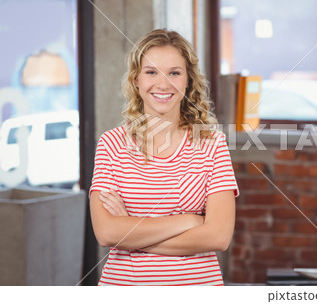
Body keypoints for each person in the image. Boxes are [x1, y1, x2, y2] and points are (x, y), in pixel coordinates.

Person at [89, 29, 238, 286]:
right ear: (136, 79)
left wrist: (131, 231)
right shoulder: (111, 144)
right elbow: (106, 233)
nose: (163, 84)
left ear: (188, 80)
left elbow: (218, 236)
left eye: (174, 73)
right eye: (151, 72)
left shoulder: (212, 144)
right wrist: (190, 220)